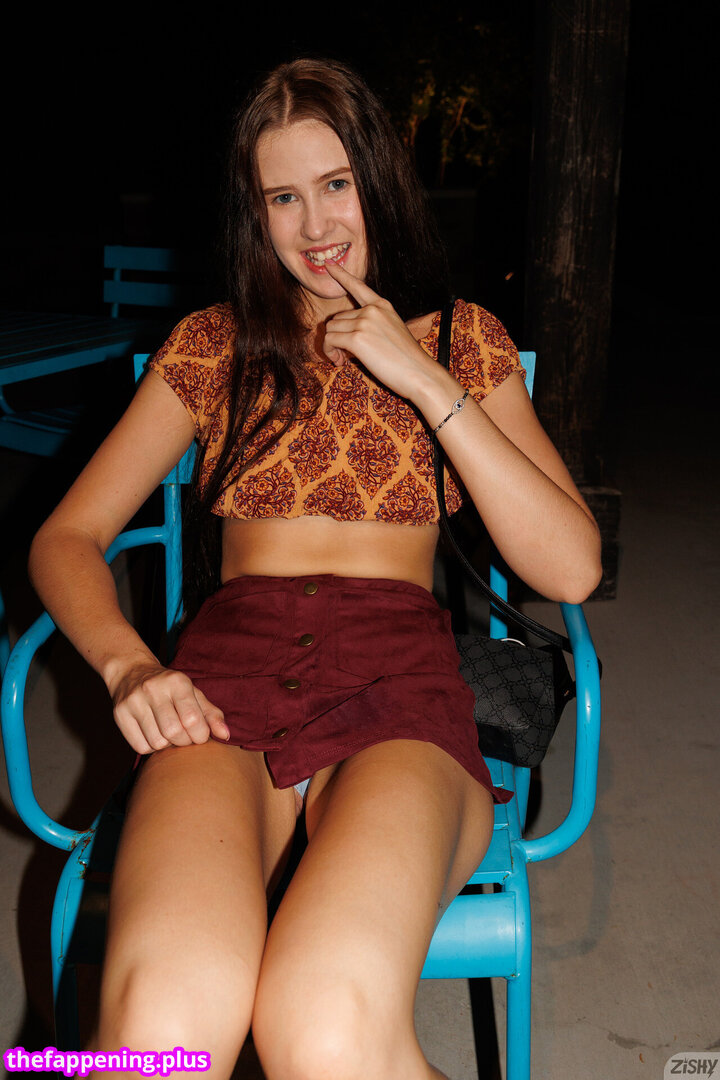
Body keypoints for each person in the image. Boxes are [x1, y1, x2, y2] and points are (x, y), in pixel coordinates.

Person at [30, 58, 602, 1080]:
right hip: (221, 687)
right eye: (281, 197)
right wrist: (127, 665)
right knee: (160, 1031)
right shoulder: (212, 346)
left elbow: (570, 568)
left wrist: (421, 377)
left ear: (377, 181)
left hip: (401, 689)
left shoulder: (463, 339)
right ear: (254, 215)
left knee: (326, 1027)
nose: (315, 223)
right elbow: (66, 535)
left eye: (335, 184)